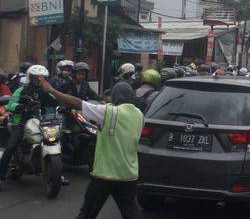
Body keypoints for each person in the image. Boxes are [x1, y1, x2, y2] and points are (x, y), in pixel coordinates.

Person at [39, 77, 143, 219]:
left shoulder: (109, 112)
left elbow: (77, 102)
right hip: (129, 175)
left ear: (115, 97)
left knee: (87, 213)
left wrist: (51, 90)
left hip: (105, 176)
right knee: (131, 213)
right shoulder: (139, 115)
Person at [0, 65, 58, 191]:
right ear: (30, 78)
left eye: (42, 78)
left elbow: (55, 102)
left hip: (39, 121)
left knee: (54, 140)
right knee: (11, 146)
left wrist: (63, 104)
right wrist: (21, 106)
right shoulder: (21, 90)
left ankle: (58, 173)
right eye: (37, 78)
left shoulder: (44, 92)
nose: (40, 81)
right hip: (20, 122)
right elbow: (10, 105)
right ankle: (1, 176)